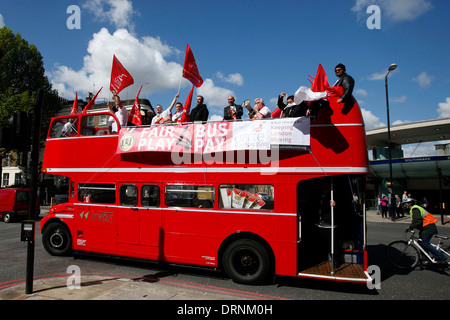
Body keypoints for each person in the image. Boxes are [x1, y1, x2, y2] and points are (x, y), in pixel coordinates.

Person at [404, 197, 447, 264]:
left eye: (405, 204)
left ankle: (441, 257)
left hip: (428, 227)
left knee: (425, 243)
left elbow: (418, 220)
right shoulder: (415, 208)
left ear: (408, 203)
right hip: (425, 227)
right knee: (421, 243)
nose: (404, 206)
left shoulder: (415, 209)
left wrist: (410, 227)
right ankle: (425, 259)